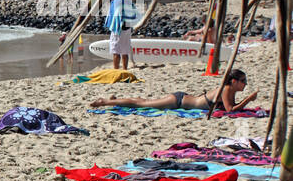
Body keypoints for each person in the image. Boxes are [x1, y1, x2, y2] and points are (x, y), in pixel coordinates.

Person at [90, 69, 258, 114]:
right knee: (142, 104)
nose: (245, 84)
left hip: (183, 99)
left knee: (143, 101)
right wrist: (249, 100)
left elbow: (232, 107)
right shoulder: (226, 89)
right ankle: (105, 101)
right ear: (234, 81)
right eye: (243, 81)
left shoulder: (229, 90)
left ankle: (115, 99)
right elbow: (230, 110)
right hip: (179, 101)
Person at [105, 0, 133, 71]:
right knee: (125, 51)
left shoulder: (116, 1)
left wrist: (111, 26)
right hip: (127, 27)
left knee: (115, 50)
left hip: (118, 28)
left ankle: (116, 70)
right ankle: (125, 69)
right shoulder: (127, 0)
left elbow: (113, 15)